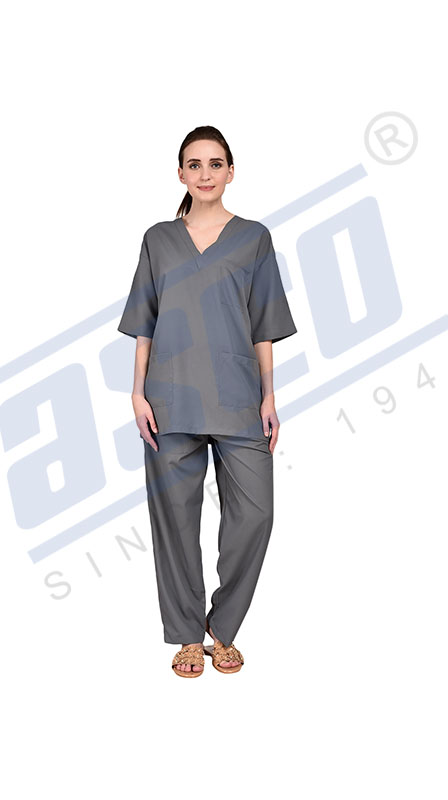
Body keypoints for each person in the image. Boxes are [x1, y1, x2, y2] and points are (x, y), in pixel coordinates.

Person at [117, 126, 297, 677]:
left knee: (256, 514)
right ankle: (187, 636)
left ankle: (223, 627)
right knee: (174, 519)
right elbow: (144, 324)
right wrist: (136, 391)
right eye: (194, 165)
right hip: (169, 397)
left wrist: (269, 395)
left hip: (238, 396)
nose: (205, 174)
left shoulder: (254, 239)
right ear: (180, 174)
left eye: (215, 164)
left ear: (231, 171)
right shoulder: (158, 240)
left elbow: (263, 325)